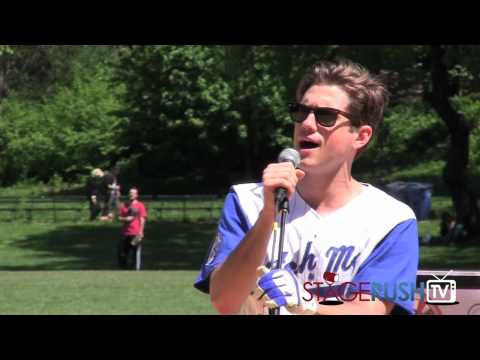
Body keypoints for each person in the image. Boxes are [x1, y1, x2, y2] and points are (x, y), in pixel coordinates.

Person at [194, 59, 419, 315]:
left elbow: (373, 308)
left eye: (326, 116)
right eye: (301, 112)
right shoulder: (248, 201)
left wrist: (308, 305)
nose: (307, 124)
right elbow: (224, 301)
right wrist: (268, 215)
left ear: (361, 135)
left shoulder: (392, 219)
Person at [118, 188, 148, 270]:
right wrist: (125, 219)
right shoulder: (124, 205)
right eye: (130, 193)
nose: (131, 194)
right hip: (125, 233)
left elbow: (142, 219)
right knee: (122, 253)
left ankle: (135, 269)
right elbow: (119, 217)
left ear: (136, 195)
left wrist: (141, 231)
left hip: (135, 233)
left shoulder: (140, 205)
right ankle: (124, 269)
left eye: (133, 193)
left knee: (135, 252)